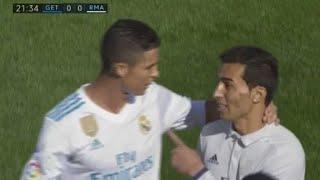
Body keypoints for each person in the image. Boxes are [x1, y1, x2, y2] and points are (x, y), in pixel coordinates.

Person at [21, 20, 277, 180]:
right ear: (121, 68)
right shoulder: (63, 124)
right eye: (149, 67)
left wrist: (255, 106)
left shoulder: (153, 97)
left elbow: (202, 112)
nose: (156, 74)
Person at [168, 46, 305, 180]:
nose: (216, 93)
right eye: (219, 83)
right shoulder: (210, 133)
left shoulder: (285, 153)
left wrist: (197, 171)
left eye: (227, 85)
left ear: (257, 94)